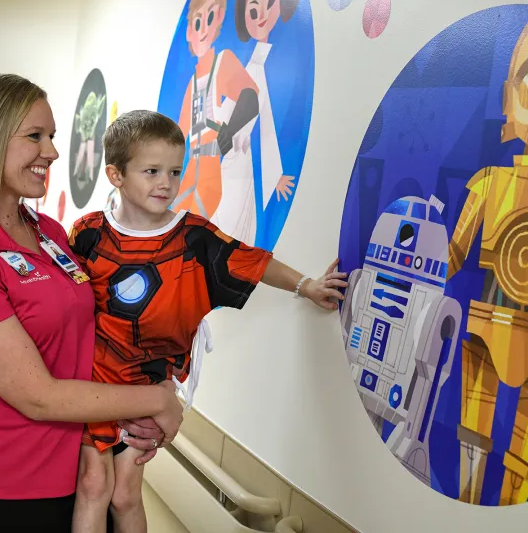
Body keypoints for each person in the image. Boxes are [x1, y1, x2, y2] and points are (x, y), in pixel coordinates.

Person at [0, 74, 184, 532]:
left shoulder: (49, 233)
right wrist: (155, 399)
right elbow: (37, 396)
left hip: (72, 476)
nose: (52, 151)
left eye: (51, 136)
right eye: (35, 136)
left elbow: (90, 343)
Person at [68, 110, 349, 533]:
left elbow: (251, 261)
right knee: (93, 484)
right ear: (116, 175)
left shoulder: (193, 236)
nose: (166, 183)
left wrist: (305, 285)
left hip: (148, 386)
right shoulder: (88, 233)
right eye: (151, 171)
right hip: (94, 380)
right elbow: (62, 301)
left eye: (174, 171)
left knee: (125, 493)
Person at [212, 0, 307, 246]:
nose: (263, 15)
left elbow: (264, 122)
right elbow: (237, 109)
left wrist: (275, 174)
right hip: (227, 159)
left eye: (272, 0)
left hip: (239, 162)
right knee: (221, 227)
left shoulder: (261, 69)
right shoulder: (243, 66)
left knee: (234, 232)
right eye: (253, 9)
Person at [172, 0, 261, 221]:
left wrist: (230, 131)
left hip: (215, 170)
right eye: (197, 22)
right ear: (189, 30)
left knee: (196, 227)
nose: (202, 30)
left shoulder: (223, 63)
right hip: (193, 170)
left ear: (220, 17)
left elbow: (250, 97)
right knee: (175, 223)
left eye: (210, 17)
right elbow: (178, 133)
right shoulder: (192, 83)